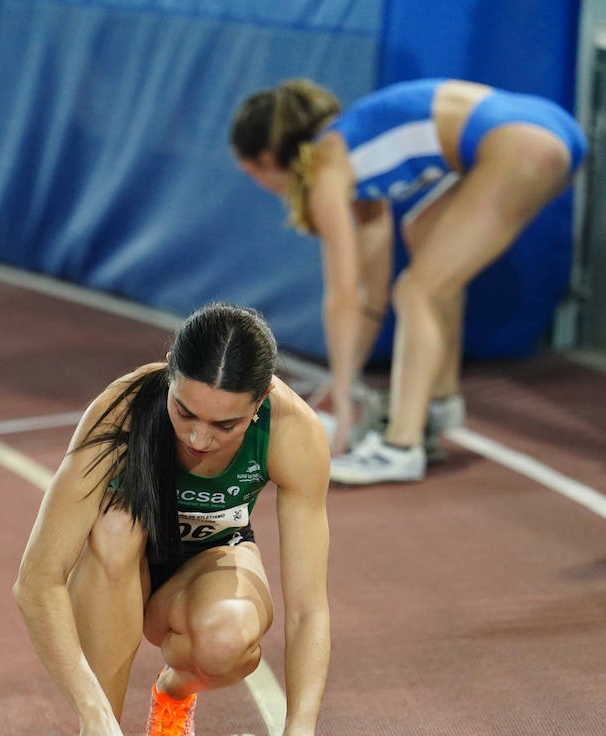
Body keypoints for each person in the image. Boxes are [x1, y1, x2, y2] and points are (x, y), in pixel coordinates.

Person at [13, 301, 362, 736]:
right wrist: (93, 712)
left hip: (210, 561)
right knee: (112, 530)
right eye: (184, 412)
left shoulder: (293, 431)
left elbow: (309, 609)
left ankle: (174, 697)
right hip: (121, 568)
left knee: (226, 639)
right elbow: (37, 581)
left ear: (261, 399)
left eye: (225, 425)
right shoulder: (121, 411)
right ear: (171, 366)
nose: (199, 439)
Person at [230, 78, 587, 484]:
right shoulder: (355, 159)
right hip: (544, 127)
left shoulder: (326, 165)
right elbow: (371, 299)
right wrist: (339, 389)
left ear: (267, 158)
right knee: (422, 233)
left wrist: (343, 408)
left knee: (418, 290)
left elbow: (343, 297)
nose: (260, 186)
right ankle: (437, 404)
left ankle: (401, 446)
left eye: (251, 172)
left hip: (522, 142)